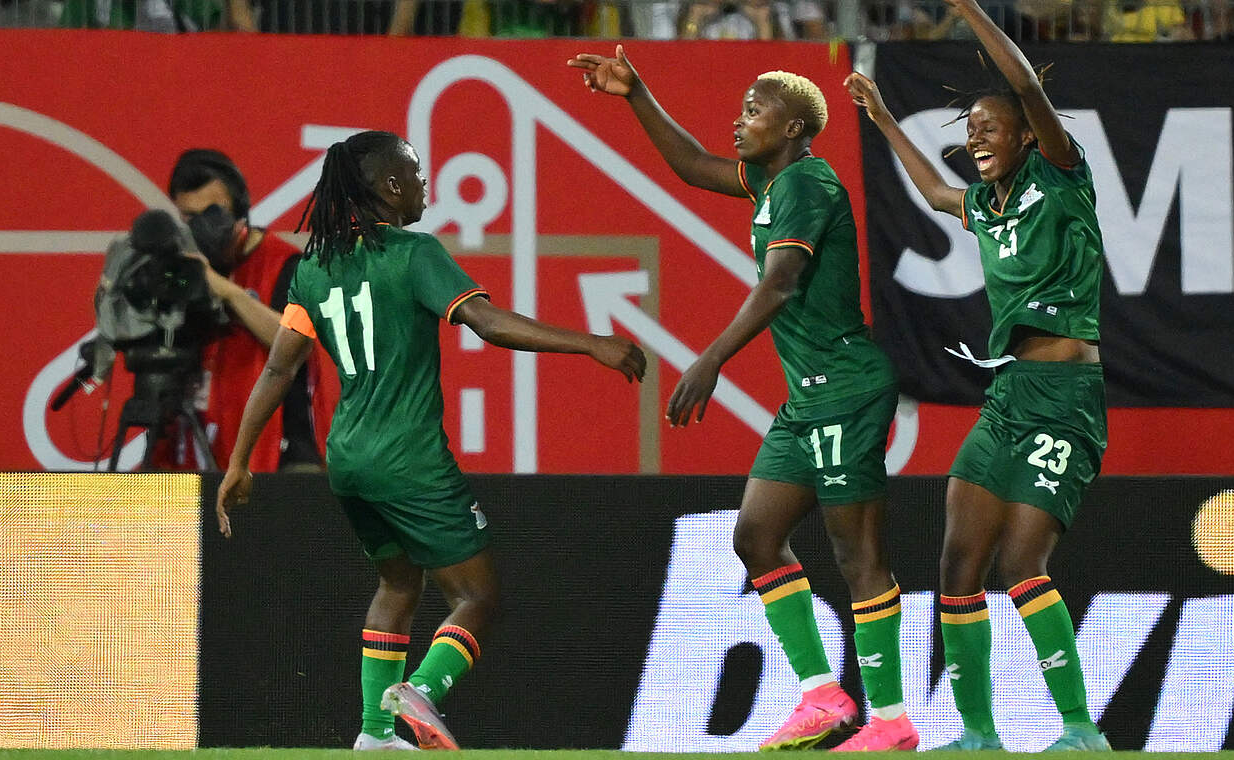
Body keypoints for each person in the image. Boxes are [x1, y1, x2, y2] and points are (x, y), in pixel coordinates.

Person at [214, 130, 646, 751]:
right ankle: (421, 693)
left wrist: (237, 461)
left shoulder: (315, 268)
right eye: (415, 174)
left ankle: (374, 734)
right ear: (390, 187)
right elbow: (486, 321)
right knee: (478, 595)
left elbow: (281, 368)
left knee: (397, 585)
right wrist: (590, 342)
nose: (423, 185)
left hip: (349, 461)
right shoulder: (413, 254)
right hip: (408, 458)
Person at [567, 46, 917, 752]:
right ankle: (822, 694)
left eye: (755, 112)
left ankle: (892, 721)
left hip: (846, 392)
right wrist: (636, 94)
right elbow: (693, 164)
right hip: (808, 400)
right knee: (755, 537)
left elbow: (781, 282)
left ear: (793, 128)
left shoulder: (808, 185)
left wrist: (710, 359)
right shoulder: (771, 184)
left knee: (858, 557)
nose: (740, 121)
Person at [847, 0, 1110, 750]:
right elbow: (933, 193)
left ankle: (1080, 728)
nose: (978, 139)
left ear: (1028, 135)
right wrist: (883, 116)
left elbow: (1025, 83)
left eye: (991, 128)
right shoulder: (986, 210)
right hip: (1008, 399)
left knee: (1023, 560)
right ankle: (977, 734)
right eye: (971, 132)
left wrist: (965, 9)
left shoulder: (1061, 179)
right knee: (959, 562)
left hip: (1066, 397)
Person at [161, 149, 329, 473]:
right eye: (189, 218)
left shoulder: (285, 265)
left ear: (240, 209)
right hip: (205, 446)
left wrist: (226, 292)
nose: (202, 228)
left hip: (283, 454)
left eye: (212, 213)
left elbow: (297, 341)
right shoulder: (185, 269)